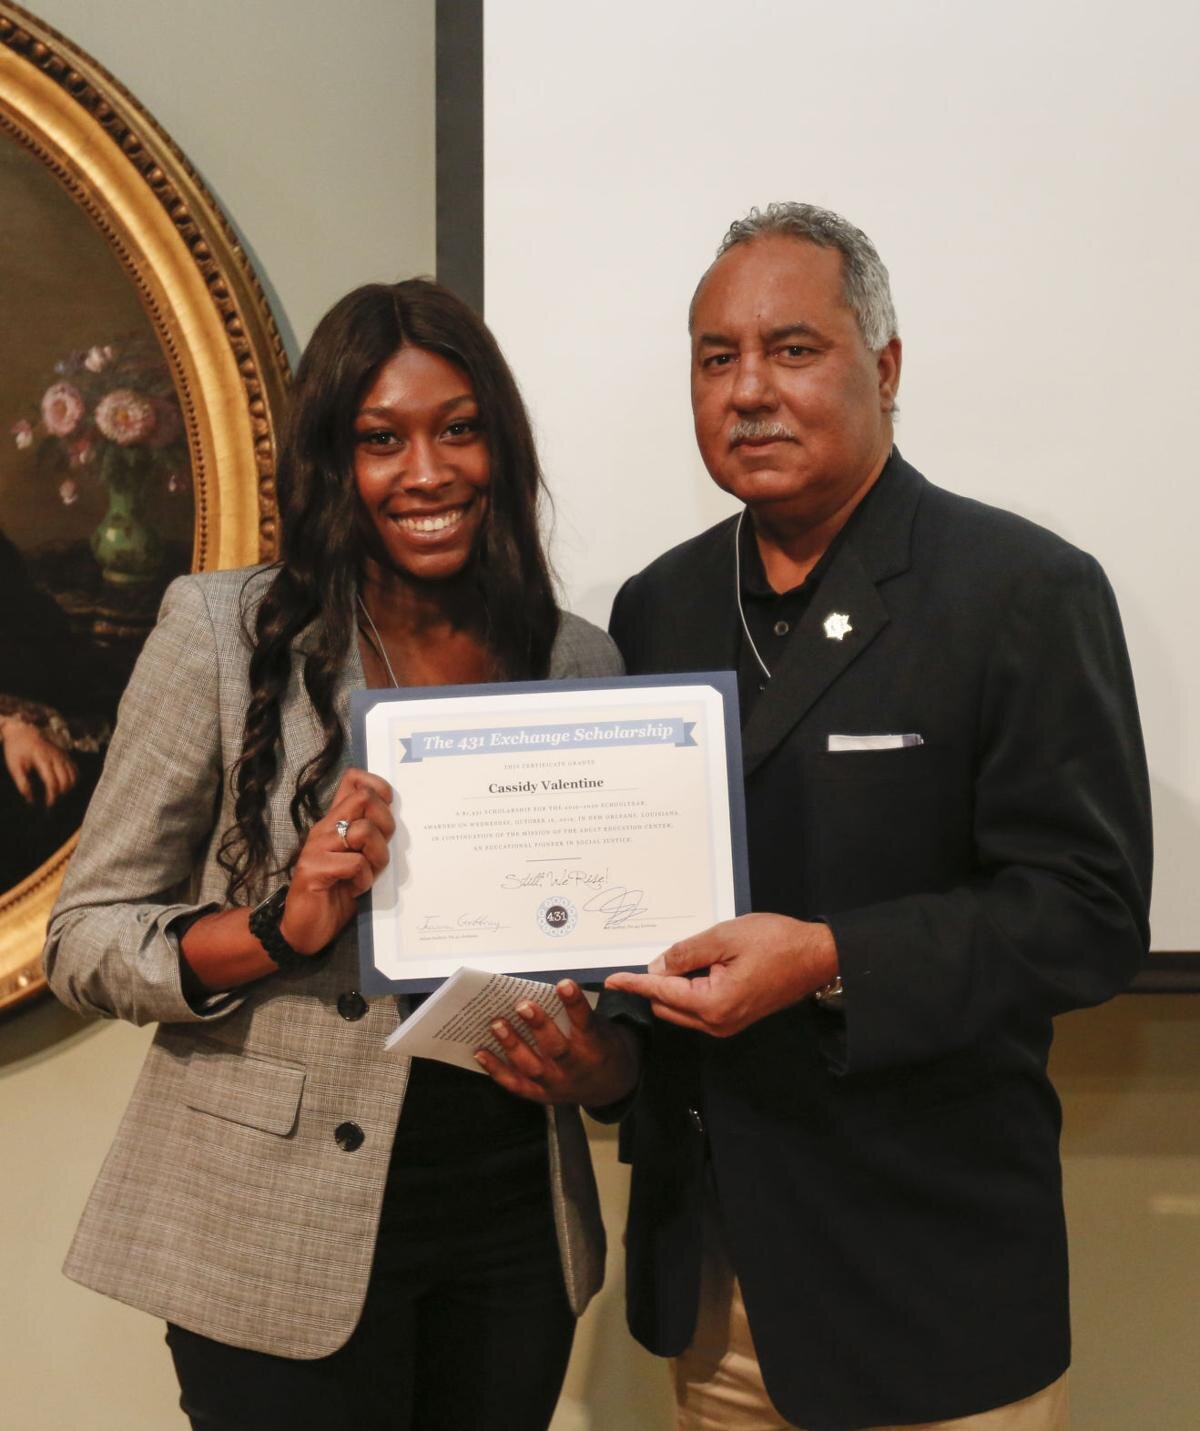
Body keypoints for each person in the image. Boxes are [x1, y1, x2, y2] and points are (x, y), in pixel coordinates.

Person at [483, 204, 1152, 1431]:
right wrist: (606, 1062)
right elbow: (646, 902)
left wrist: (831, 959)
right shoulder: (662, 604)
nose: (748, 392)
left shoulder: (1022, 591)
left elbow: (1088, 914)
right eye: (715, 357)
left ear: (885, 368)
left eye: (793, 350)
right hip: (717, 1287)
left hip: (929, 1289)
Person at [43, 278, 626, 1431]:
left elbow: (617, 989)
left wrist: (599, 1068)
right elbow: (85, 937)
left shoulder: (578, 660)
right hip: (268, 1241)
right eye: (380, 439)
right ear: (330, 462)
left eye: (458, 429)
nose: (427, 471)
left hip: (511, 1232)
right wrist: (279, 924)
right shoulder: (221, 630)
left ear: (498, 447)